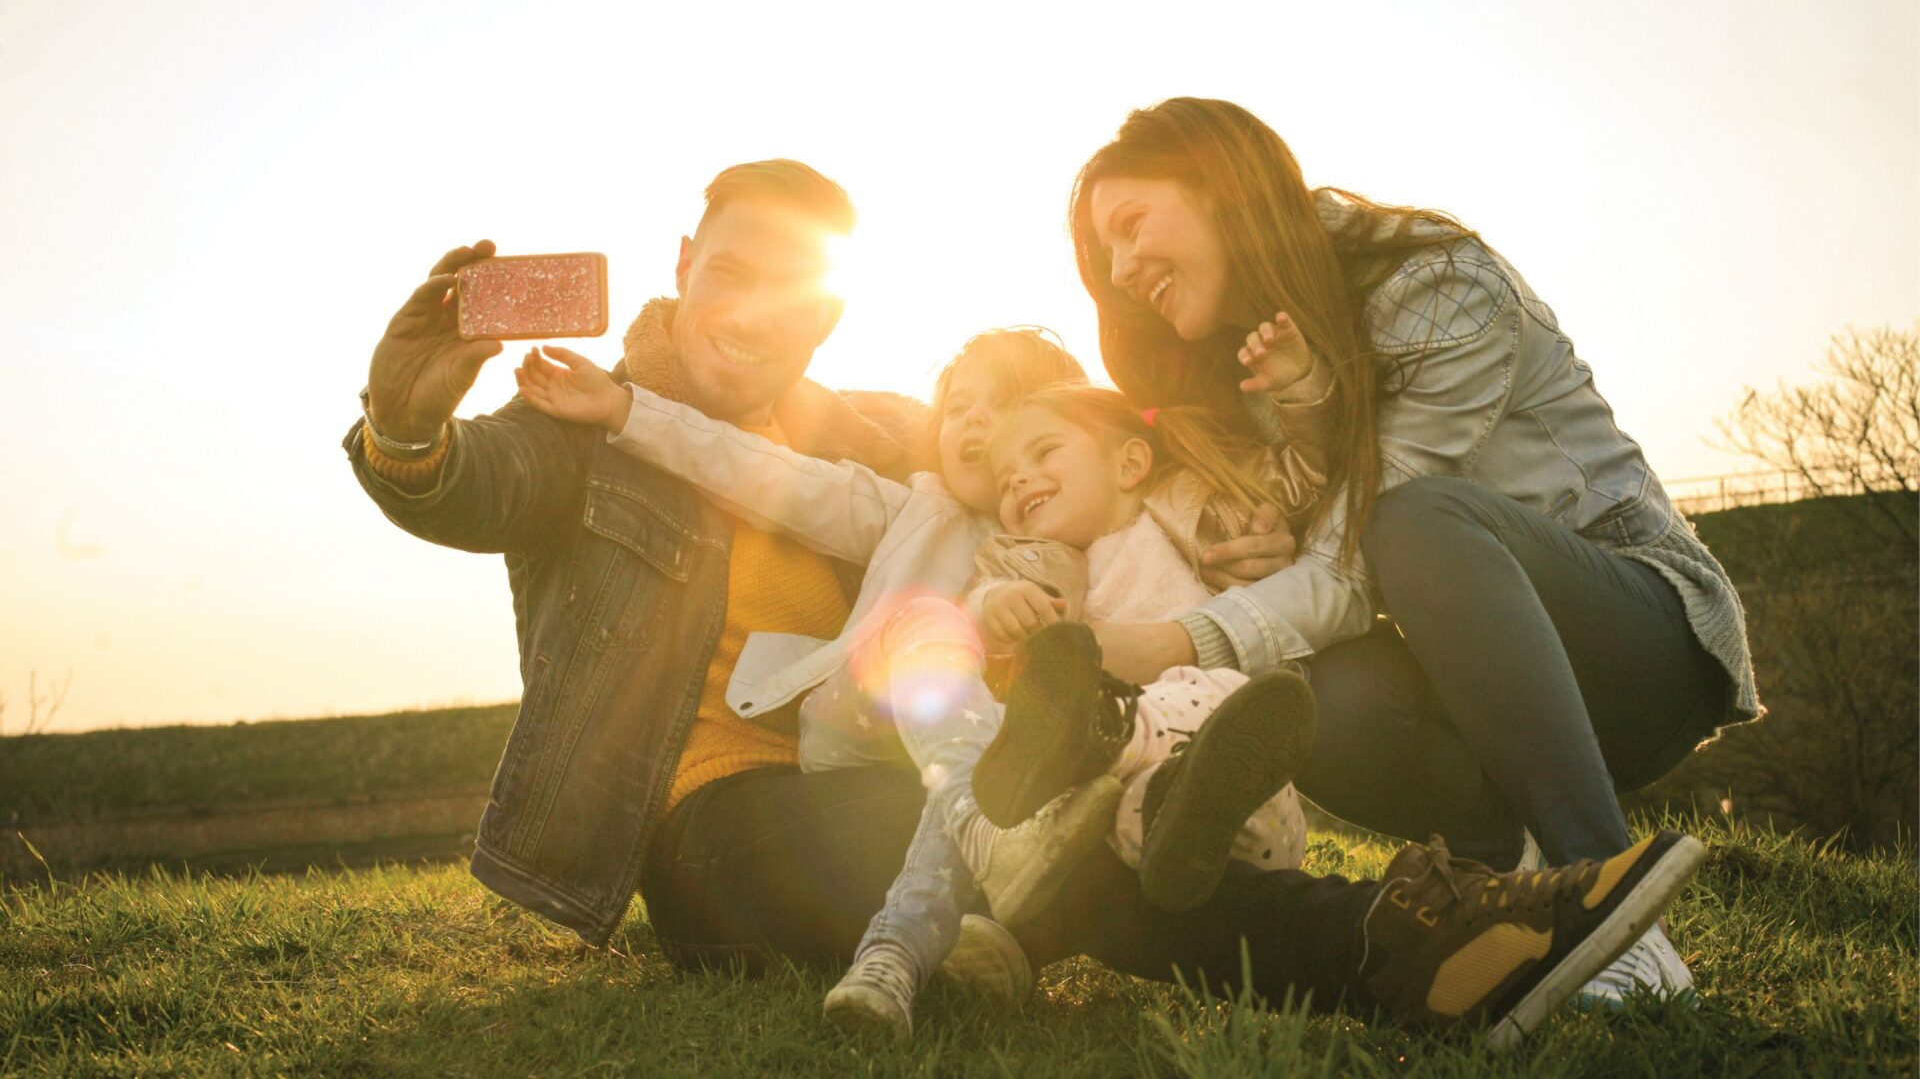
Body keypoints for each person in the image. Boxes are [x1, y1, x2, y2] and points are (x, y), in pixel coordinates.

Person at [347, 157, 1707, 1047]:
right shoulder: (580, 423)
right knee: (1004, 823)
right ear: (687, 258)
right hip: (716, 818)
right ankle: (1404, 945)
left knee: (1028, 815)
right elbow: (464, 486)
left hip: (933, 753)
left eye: (792, 292)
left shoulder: (890, 439)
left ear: (828, 316)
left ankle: (1420, 944)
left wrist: (1226, 515)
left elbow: (1067, 467)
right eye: (733, 271)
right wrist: (404, 425)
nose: (755, 312)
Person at [1063, 98, 1758, 1005]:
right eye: (1103, 257)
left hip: (1644, 645)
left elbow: (1363, 553)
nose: (1119, 271)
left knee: (1419, 521)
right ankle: (1508, 892)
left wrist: (1165, 640)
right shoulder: (1254, 361)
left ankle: (1610, 901)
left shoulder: (1436, 287)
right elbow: (1313, 558)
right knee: (1298, 691)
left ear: (1219, 183)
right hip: (1475, 686)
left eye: (1129, 225)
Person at [514, 333, 1326, 1035]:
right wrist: (627, 409)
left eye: (1013, 413)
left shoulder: (1115, 525)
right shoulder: (911, 509)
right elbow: (759, 470)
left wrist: (1265, 534)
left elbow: (1274, 504)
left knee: (1113, 766)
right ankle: (1027, 868)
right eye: (962, 407)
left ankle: (1100, 859)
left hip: (1054, 771)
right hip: (891, 732)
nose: (981, 428)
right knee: (941, 633)